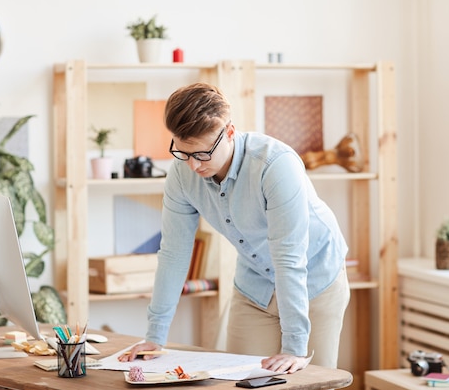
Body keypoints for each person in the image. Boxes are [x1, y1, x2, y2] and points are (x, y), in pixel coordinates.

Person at [118, 82, 350, 373]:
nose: (192, 165)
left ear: (229, 132)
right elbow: (174, 253)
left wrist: (293, 348)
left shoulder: (275, 165)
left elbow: (289, 259)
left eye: (201, 154)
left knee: (305, 380)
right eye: (183, 152)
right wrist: (154, 338)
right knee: (239, 379)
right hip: (254, 285)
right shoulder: (181, 175)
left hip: (314, 278)